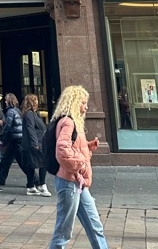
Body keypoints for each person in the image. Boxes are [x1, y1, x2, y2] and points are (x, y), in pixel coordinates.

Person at [48, 85, 109, 249]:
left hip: (77, 182)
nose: (86, 107)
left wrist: (87, 147)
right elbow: (62, 151)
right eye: (83, 102)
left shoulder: (72, 122)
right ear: (74, 102)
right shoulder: (68, 122)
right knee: (63, 231)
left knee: (94, 224)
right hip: (69, 182)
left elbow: (71, 148)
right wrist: (81, 163)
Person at [20, 93, 51, 196]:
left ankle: (31, 186)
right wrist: (35, 142)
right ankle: (41, 184)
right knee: (43, 162)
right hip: (35, 143)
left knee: (31, 164)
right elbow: (30, 128)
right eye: (35, 100)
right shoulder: (30, 114)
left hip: (37, 141)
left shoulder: (34, 113)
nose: (37, 102)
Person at [0, 92, 24, 188]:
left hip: (15, 138)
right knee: (6, 159)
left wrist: (3, 137)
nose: (5, 102)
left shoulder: (10, 112)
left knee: (21, 161)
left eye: (6, 100)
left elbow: (7, 126)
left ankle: (35, 180)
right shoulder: (17, 110)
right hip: (17, 138)